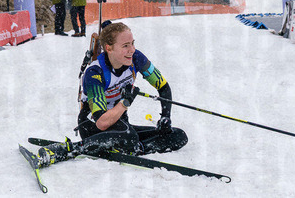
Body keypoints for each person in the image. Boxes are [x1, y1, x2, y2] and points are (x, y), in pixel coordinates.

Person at [37, 21, 188, 166]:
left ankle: (134, 148)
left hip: (121, 125)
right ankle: (68, 150)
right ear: (109, 48)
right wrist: (125, 102)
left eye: (132, 43)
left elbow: (163, 87)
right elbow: (102, 123)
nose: (132, 50)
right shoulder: (95, 73)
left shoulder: (136, 58)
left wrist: (166, 116)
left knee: (178, 135)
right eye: (125, 46)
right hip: (92, 124)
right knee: (128, 136)